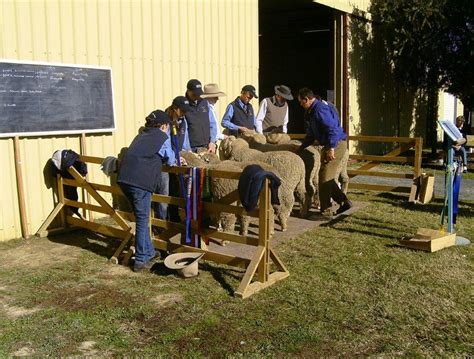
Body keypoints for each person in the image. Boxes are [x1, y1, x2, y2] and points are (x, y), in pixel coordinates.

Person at [117, 110, 172, 272]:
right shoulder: (161, 138)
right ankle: (141, 259)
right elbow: (170, 158)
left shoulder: (141, 135)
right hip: (140, 182)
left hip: (124, 180)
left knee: (142, 217)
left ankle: (149, 251)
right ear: (163, 126)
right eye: (168, 126)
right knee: (142, 220)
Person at [297, 87, 352, 217]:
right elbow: (311, 134)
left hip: (336, 144)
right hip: (330, 144)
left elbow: (333, 129)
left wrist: (331, 148)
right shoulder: (312, 111)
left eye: (301, 101)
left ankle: (326, 211)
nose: (300, 104)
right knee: (326, 176)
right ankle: (343, 201)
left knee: (324, 177)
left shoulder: (320, 109)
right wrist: (300, 148)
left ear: (307, 99)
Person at [184, 79, 216, 153]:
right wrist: (188, 149)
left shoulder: (205, 103)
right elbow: (184, 131)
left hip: (208, 147)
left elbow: (212, 123)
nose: (197, 96)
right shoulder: (184, 106)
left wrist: (212, 142)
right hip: (193, 148)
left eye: (198, 93)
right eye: (194, 94)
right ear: (189, 91)